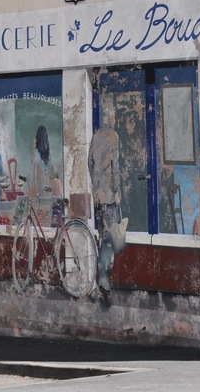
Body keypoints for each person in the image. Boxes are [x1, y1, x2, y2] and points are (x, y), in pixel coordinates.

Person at [88, 102, 123, 307]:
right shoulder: (113, 137)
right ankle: (103, 278)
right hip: (109, 195)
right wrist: (116, 189)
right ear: (111, 118)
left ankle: (102, 276)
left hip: (98, 194)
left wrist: (95, 184)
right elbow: (115, 166)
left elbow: (89, 162)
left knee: (103, 235)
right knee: (110, 239)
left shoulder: (95, 136)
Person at [30, 124, 60, 198]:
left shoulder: (35, 152)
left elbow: (34, 171)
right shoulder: (50, 152)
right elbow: (53, 169)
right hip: (48, 184)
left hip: (39, 184)